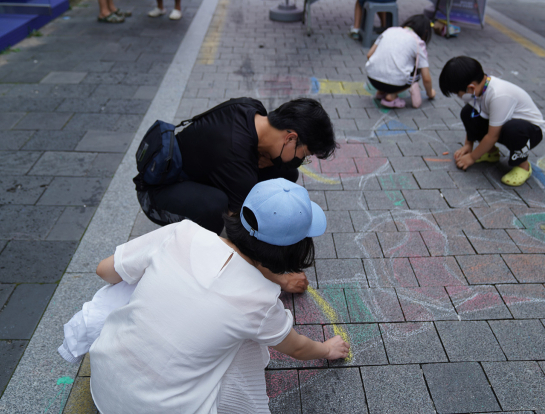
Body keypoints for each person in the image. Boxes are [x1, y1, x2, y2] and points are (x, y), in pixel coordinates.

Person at [87, 179, 350, 413]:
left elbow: (104, 270)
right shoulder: (261, 300)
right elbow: (297, 347)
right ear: (293, 250)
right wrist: (328, 349)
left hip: (104, 378)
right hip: (159, 407)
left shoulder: (183, 233)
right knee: (248, 340)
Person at [135, 97, 337, 290]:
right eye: (306, 156)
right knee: (215, 207)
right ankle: (196, 254)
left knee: (286, 171)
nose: (302, 161)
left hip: (201, 171)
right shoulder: (235, 157)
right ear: (291, 138)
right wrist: (280, 279)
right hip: (159, 193)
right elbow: (241, 240)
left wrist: (262, 160)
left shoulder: (251, 109)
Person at [439, 56, 545, 187]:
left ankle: (523, 166)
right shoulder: (479, 89)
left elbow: (493, 136)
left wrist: (472, 157)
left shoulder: (498, 95)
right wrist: (468, 145)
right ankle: (491, 152)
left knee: (512, 130)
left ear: (470, 88)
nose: (458, 96)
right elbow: (473, 115)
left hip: (531, 131)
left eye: (458, 93)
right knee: (468, 112)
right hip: (504, 125)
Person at [365, 14, 436, 108]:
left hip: (372, 79)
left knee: (393, 67)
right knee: (416, 72)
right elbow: (426, 78)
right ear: (425, 32)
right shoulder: (418, 42)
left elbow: (369, 55)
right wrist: (430, 93)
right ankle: (392, 95)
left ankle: (381, 91)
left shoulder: (389, 30)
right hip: (394, 84)